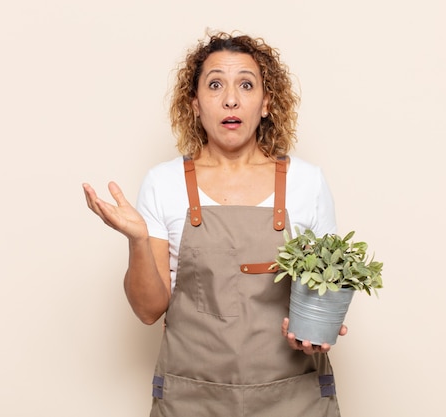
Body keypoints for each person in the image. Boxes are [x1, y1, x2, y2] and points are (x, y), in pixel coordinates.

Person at [83, 31, 347, 417]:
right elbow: (147, 310)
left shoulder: (307, 182)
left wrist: (321, 328)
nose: (231, 99)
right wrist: (138, 240)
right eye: (215, 84)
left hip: (292, 397)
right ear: (194, 103)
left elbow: (326, 289)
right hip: (191, 398)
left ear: (267, 102)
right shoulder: (163, 183)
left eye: (246, 84)